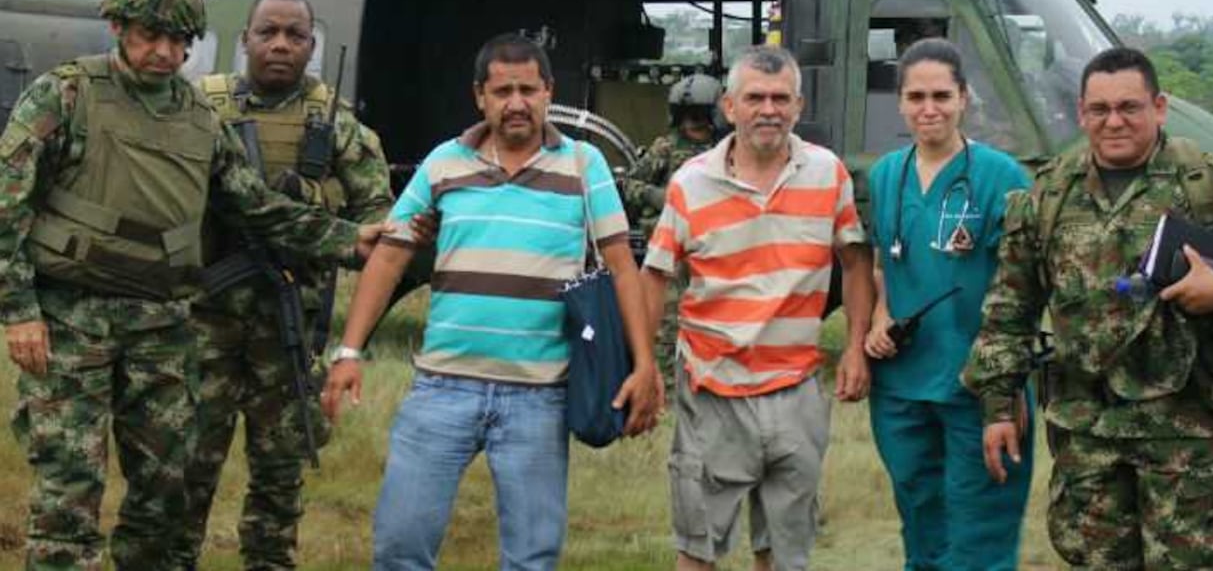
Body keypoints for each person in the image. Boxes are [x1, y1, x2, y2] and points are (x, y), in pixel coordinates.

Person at [0, 0, 386, 570]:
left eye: (177, 39)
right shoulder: (65, 94)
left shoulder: (199, 117)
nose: (162, 52)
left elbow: (255, 207)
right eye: (149, 35)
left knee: (163, 496)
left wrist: (350, 239)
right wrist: (20, 313)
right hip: (73, 322)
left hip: (163, 325)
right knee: (69, 498)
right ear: (118, 28)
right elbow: (7, 209)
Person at [322, 33, 661, 570]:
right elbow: (388, 256)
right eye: (503, 90)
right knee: (399, 545)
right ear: (480, 96)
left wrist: (644, 365)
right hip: (441, 389)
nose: (516, 102)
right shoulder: (443, 163)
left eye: (528, 88)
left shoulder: (582, 164)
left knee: (532, 557)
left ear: (549, 92)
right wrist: (347, 352)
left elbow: (622, 266)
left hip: (539, 395)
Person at [962, 46, 1213, 570]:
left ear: (1158, 106)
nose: (1114, 121)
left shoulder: (1211, 185)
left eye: (1129, 107)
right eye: (1100, 109)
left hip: (1188, 435)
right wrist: (997, 407)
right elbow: (1008, 309)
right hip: (1088, 437)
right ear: (1082, 113)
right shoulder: (1047, 196)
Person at [175, 0, 395, 569]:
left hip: (289, 324)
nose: (279, 45)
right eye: (267, 32)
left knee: (278, 484)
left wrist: (314, 204)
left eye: (294, 36)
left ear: (311, 45)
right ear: (245, 38)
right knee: (186, 472)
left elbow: (380, 228)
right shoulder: (202, 107)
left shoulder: (336, 125)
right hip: (205, 322)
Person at [641, 45, 874, 571]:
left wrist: (855, 348)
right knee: (698, 551)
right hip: (712, 392)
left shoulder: (827, 174)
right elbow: (653, 276)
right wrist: (643, 367)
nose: (768, 109)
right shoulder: (691, 183)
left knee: (786, 554)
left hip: (796, 393)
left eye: (780, 98)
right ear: (729, 107)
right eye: (755, 98)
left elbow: (857, 262)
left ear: (798, 105)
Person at [863, 38, 1032, 571]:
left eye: (941, 95)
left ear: (964, 97)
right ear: (900, 103)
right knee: (922, 524)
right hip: (903, 386)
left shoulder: (1001, 178)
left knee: (980, 530)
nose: (928, 108)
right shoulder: (886, 174)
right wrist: (878, 316)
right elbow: (879, 262)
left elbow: (1026, 284)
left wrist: (1007, 391)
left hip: (975, 383)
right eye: (916, 97)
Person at [622, 73, 721, 389]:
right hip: (670, 250)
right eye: (690, 117)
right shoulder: (664, 148)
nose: (695, 124)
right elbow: (629, 185)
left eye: (701, 117)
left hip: (712, 248)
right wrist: (657, 197)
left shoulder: (725, 150)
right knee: (664, 320)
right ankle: (660, 380)